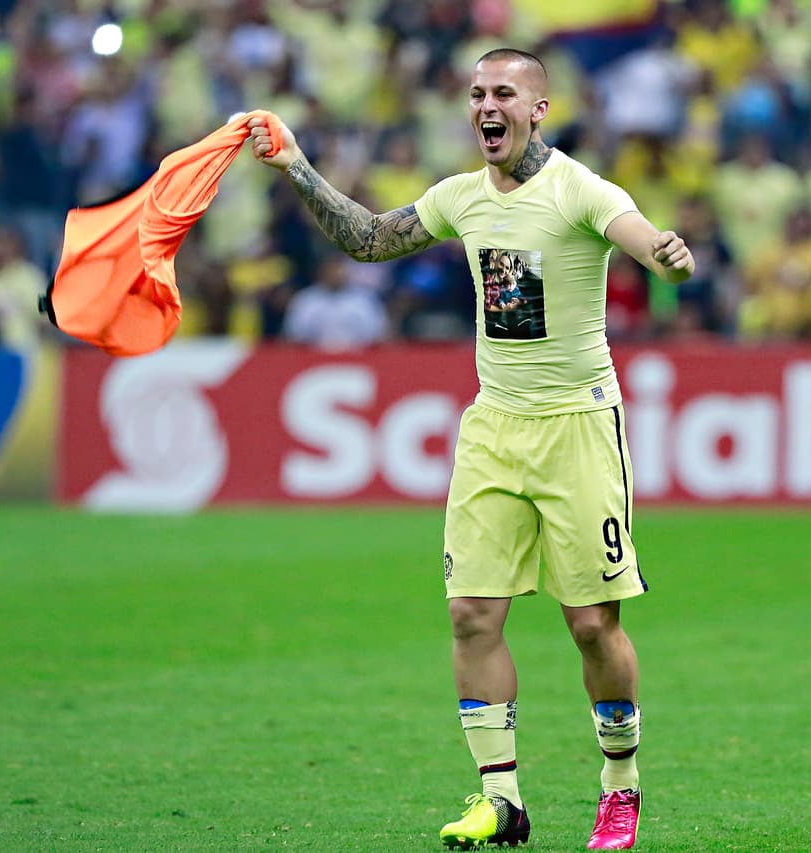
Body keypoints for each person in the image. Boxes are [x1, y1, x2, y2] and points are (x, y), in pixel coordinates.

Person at [248, 47, 694, 851]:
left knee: (592, 625)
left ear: (537, 109)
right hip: (494, 427)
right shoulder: (461, 198)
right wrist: (297, 165)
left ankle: (620, 786)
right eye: (477, 93)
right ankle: (502, 799)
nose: (487, 105)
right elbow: (373, 240)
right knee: (470, 614)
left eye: (504, 94)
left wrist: (663, 249)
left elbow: (636, 232)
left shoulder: (579, 189)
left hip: (579, 426)